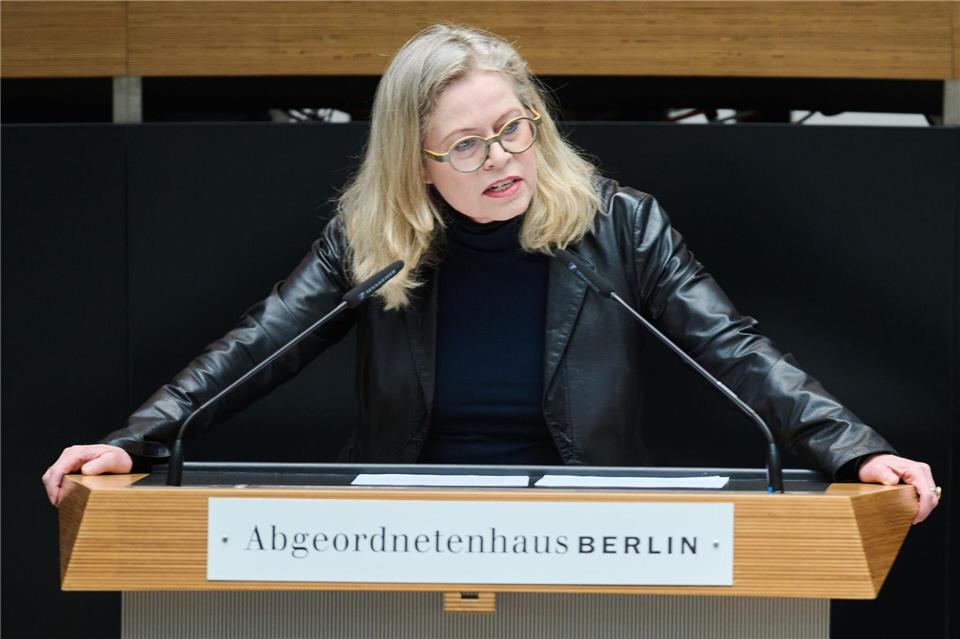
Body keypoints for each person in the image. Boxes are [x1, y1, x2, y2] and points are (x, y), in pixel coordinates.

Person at [42, 24, 939, 522]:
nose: (503, 157)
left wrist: (859, 450)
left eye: (515, 127)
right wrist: (138, 440)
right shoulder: (372, 236)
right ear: (416, 163)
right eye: (467, 144)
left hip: (591, 528)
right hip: (405, 527)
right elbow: (258, 346)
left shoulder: (620, 224)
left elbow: (739, 352)